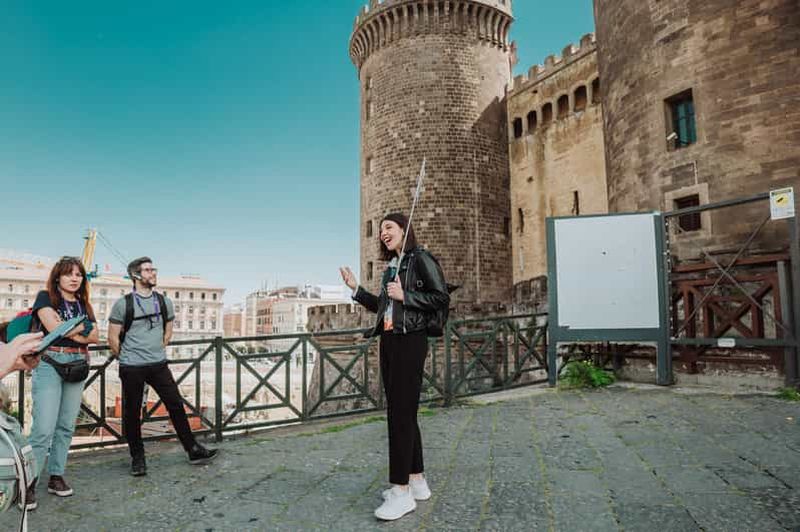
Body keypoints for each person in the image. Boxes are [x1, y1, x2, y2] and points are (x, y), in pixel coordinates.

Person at [340, 213, 449, 521]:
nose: (383, 233)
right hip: (390, 340)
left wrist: (406, 295)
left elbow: (441, 298)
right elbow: (383, 307)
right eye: (381, 230)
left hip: (410, 340)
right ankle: (417, 481)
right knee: (403, 412)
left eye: (389, 227)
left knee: (400, 416)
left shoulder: (420, 258)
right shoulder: (393, 266)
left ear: (404, 229)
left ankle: (401, 493)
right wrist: (357, 289)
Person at [107, 257, 217, 477]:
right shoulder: (123, 304)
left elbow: (168, 332)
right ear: (135, 275)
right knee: (132, 413)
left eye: (153, 269)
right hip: (132, 367)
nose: (153, 273)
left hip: (158, 364)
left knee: (175, 404)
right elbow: (112, 338)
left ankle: (193, 449)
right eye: (148, 270)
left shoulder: (164, 301)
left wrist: (156, 351)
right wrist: (128, 357)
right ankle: (138, 458)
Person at [27, 256, 99, 510]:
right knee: (43, 428)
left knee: (66, 425)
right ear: (58, 277)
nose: (74, 278)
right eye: (69, 273)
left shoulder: (84, 304)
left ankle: (56, 475)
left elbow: (96, 335)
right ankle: (28, 483)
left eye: (79, 274)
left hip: (77, 364)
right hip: (50, 362)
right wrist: (80, 328)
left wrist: (69, 329)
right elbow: (54, 328)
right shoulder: (45, 297)